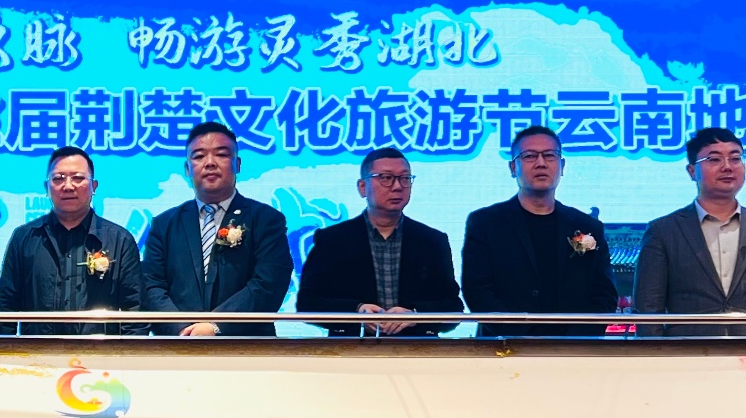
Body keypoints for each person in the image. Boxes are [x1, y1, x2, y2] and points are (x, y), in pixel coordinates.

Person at [634, 127, 746, 336]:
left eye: (736, 159)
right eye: (714, 159)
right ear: (691, 171)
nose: (727, 167)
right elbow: (647, 307)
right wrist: (661, 350)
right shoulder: (663, 231)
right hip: (687, 347)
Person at [460, 124, 617, 336]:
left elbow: (604, 295)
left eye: (549, 155)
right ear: (513, 167)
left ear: (562, 165)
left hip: (575, 347)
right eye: (530, 156)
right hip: (506, 345)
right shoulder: (486, 223)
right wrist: (524, 338)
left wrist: (574, 339)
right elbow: (478, 292)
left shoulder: (588, 226)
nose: (541, 163)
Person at [142, 121, 292, 336]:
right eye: (199, 156)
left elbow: (269, 283)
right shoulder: (164, 224)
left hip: (248, 345)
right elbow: (151, 286)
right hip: (177, 344)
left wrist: (215, 326)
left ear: (237, 164)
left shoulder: (266, 220)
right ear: (187, 168)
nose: (210, 163)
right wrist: (182, 331)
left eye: (221, 154)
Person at [296, 147, 461, 337]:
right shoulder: (332, 240)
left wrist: (416, 315)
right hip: (351, 347)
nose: (397, 186)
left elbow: (453, 307)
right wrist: (356, 311)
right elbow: (307, 304)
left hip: (417, 347)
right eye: (386, 178)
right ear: (362, 187)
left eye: (405, 178)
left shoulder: (432, 241)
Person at [0, 146, 143, 334]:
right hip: (38, 350)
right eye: (58, 178)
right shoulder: (24, 238)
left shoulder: (120, 240)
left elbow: (135, 313)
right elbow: (6, 308)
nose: (68, 186)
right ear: (46, 188)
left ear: (94, 186)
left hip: (100, 350)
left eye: (78, 178)